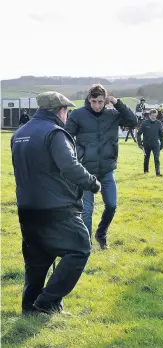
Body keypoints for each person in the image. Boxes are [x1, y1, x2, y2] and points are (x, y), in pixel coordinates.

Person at [11, 91, 101, 315]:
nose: (67, 116)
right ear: (60, 110)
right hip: (57, 208)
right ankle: (48, 302)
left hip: (27, 208)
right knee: (80, 248)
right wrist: (92, 183)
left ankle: (29, 307)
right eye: (67, 111)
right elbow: (70, 166)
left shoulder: (19, 133)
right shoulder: (54, 133)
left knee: (37, 261)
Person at [65, 84, 137, 249]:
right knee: (87, 210)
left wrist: (117, 103)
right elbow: (66, 136)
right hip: (85, 172)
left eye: (100, 101)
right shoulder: (77, 115)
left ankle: (101, 234)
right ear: (88, 100)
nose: (96, 105)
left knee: (111, 205)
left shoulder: (113, 114)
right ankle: (86, 245)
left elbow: (133, 121)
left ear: (105, 101)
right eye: (93, 101)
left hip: (106, 170)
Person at [137, 109, 163, 176]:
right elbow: (138, 134)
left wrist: (162, 143)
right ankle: (146, 171)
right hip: (146, 144)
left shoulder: (158, 123)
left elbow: (161, 134)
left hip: (156, 144)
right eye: (152, 116)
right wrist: (140, 143)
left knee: (157, 158)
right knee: (146, 158)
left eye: (155, 116)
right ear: (149, 115)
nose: (153, 117)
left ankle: (158, 173)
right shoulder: (144, 123)